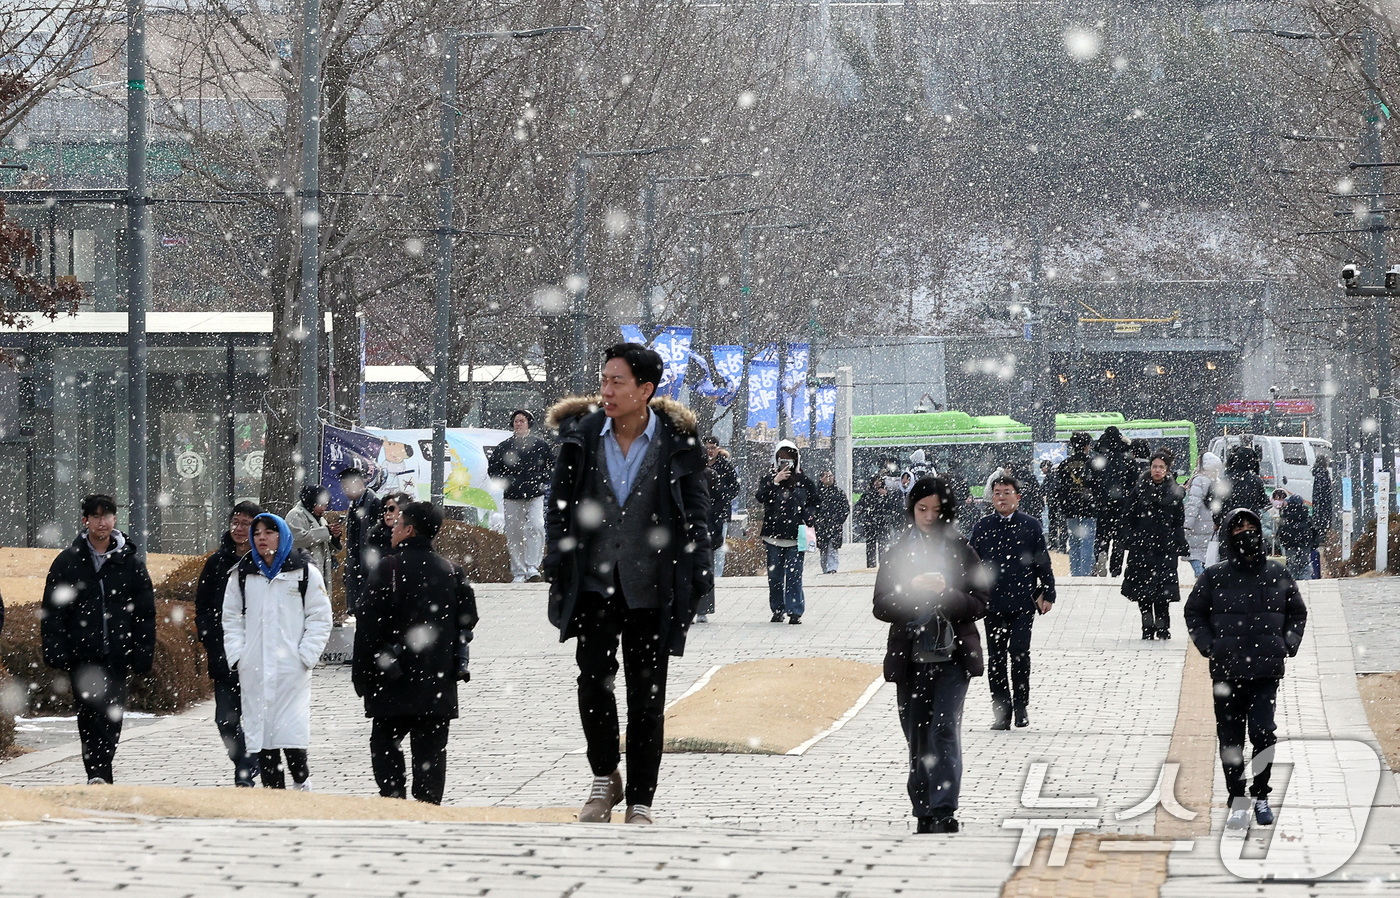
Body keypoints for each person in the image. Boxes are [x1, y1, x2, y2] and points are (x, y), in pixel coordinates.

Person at [543, 342, 712, 826]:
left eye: (618, 382)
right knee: (593, 681)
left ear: (646, 390)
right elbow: (560, 506)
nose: (607, 390)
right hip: (594, 582)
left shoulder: (677, 443)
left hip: (653, 586)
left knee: (647, 693)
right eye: (604, 380)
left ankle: (641, 798)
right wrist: (557, 557)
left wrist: (698, 571)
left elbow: (697, 516)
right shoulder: (583, 435)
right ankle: (604, 777)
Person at [873, 476, 989, 834]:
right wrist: (911, 590)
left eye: (936, 510)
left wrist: (947, 594)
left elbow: (982, 601)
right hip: (910, 658)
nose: (928, 516)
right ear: (912, 509)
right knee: (916, 733)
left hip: (953, 656)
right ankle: (923, 808)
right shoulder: (897, 552)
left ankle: (944, 807)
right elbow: (881, 606)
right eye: (922, 509)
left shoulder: (960, 550)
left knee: (943, 729)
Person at [1185, 508, 1307, 830]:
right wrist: (1210, 646)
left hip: (1266, 671)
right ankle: (1237, 799)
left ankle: (1261, 793)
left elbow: (1297, 611)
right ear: (1229, 535)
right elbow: (1193, 613)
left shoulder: (1276, 573)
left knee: (1264, 733)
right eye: (1239, 528)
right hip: (1226, 672)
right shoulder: (1214, 576)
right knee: (1231, 740)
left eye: (1252, 526)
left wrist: (1287, 643)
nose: (1247, 532)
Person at [354, 501, 478, 804]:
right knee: (431, 757)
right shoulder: (451, 570)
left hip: (393, 683)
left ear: (409, 530)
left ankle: (395, 806)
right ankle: (429, 812)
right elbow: (469, 618)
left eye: (398, 524)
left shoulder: (388, 567)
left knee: (386, 747)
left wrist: (362, 676)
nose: (393, 529)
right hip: (436, 686)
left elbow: (368, 626)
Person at [41, 494, 156, 785]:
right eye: (95, 516)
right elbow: (54, 610)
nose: (101, 522)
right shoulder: (68, 561)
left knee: (111, 716)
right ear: (85, 521)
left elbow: (144, 612)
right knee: (89, 716)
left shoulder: (129, 562)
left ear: (115, 520)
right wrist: (55, 647)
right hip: (82, 654)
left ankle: (101, 768)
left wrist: (143, 650)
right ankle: (97, 773)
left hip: (118, 652)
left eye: (106, 516)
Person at [223, 513, 334, 790]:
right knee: (263, 739)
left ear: (282, 535)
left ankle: (301, 784)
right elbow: (231, 617)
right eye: (257, 532)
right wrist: (239, 656)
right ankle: (273, 796)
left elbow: (320, 617)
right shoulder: (242, 574)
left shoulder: (305, 573)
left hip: (291, 670)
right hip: (255, 668)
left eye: (269, 532)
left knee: (291, 736)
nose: (261, 537)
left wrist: (305, 656)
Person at [969, 474, 1055, 730]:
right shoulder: (983, 527)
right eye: (997, 493)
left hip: (1022, 604)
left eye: (1007, 492)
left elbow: (1043, 562)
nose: (1001, 498)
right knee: (996, 659)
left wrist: (1048, 593)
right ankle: (1001, 710)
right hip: (992, 604)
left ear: (1017, 497)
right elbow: (970, 565)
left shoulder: (1030, 526)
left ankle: (1020, 705)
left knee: (1019, 653)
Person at [195, 500, 263, 787]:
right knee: (226, 720)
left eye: (246, 523)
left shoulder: (267, 561)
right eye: (236, 521)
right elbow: (203, 607)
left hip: (261, 653)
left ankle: (250, 769)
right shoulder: (217, 562)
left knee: (261, 719)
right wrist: (212, 641)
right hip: (225, 655)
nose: (239, 528)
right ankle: (245, 764)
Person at [1117, 452, 1189, 639]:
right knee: (1144, 592)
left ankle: (1163, 627)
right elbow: (1128, 516)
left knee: (1163, 592)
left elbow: (1178, 521)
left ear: (1167, 470)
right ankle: (1147, 627)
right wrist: (1132, 538)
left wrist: (1178, 542)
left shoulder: (1174, 492)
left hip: (1165, 547)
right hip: (1142, 547)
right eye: (1154, 466)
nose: (1157, 470)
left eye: (1161, 467)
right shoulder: (1139, 490)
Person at [755, 440, 821, 624]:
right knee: (775, 576)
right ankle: (777, 609)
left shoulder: (804, 481)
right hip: (773, 535)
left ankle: (794, 611)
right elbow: (760, 497)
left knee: (794, 574)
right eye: (781, 459)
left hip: (796, 534)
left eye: (789, 460)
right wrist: (775, 482)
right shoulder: (769, 479)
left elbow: (815, 502)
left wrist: (809, 514)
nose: (785, 464)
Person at [488, 410, 555, 583]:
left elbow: (551, 466)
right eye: (516, 421)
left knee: (537, 525)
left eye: (522, 421)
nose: (518, 424)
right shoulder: (504, 447)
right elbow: (493, 469)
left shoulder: (541, 445)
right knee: (514, 533)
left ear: (529, 424)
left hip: (535, 495)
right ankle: (519, 571)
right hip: (512, 496)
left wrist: (541, 480)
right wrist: (505, 482)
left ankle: (532, 566)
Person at [698, 436, 742, 622]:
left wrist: (724, 496)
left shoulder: (724, 466)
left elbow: (735, 486)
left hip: (718, 512)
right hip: (700, 513)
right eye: (707, 448)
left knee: (718, 546)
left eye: (713, 448)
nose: (710, 451)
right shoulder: (697, 465)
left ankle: (718, 574)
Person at [1092, 427, 1137, 576]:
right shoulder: (1128, 461)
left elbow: (1090, 482)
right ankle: (1115, 569)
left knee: (1101, 534)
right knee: (1119, 538)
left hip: (1102, 504)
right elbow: (1134, 484)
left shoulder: (1096, 461)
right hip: (1122, 505)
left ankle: (1101, 552)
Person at [338, 467, 381, 615]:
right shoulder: (354, 505)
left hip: (368, 569)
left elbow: (377, 543)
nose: (345, 491)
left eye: (347, 487)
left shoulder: (374, 504)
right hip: (357, 567)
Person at [1055, 432, 1099, 576]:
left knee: (1074, 543)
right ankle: (1085, 574)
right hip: (1089, 508)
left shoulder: (1063, 465)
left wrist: (1064, 506)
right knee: (1087, 542)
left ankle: (1075, 573)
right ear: (1087, 446)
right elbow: (1098, 487)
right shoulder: (1093, 463)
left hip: (1071, 509)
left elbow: (1059, 489)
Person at [286, 485, 341, 589]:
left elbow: (327, 548)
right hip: (303, 571)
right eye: (320, 505)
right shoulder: (295, 515)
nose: (323, 509)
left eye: (326, 505)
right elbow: (297, 540)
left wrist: (335, 538)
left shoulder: (322, 520)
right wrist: (326, 531)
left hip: (321, 572)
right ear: (310, 502)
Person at [1183, 452, 1224, 578]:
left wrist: (1186, 526)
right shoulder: (1217, 481)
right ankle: (1206, 577)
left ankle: (1200, 575)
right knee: (1208, 556)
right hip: (1212, 525)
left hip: (1197, 526)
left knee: (1192, 554)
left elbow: (1193, 504)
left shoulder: (1198, 479)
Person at [854, 475, 901, 568]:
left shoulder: (887, 494)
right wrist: (860, 511)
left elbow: (892, 506)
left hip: (883, 522)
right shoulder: (867, 494)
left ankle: (883, 563)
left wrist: (886, 496)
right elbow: (860, 505)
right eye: (875, 481)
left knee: (883, 544)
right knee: (870, 544)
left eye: (879, 481)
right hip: (870, 522)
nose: (877, 483)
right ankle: (871, 564)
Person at [814, 470, 851, 575]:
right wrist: (816, 520)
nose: (829, 478)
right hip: (821, 525)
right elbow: (811, 508)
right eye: (826, 476)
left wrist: (839, 520)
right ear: (821, 478)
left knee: (833, 547)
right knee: (823, 548)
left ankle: (832, 567)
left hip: (834, 525)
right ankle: (825, 567)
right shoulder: (817, 493)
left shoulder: (838, 492)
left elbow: (845, 508)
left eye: (830, 476)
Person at [1278, 494, 1316, 581]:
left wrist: (1285, 544)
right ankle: (1306, 581)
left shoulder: (1286, 516)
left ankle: (1292, 583)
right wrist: (1312, 544)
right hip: (1304, 545)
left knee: (1292, 565)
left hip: (1290, 546)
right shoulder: (1306, 516)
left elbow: (1281, 532)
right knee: (1305, 565)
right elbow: (1314, 531)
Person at [1041, 460, 1065, 552]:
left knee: (1053, 523)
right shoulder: (1062, 475)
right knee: (1062, 525)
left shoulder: (1050, 476)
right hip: (1062, 502)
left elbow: (1043, 489)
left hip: (1053, 503)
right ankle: (1062, 546)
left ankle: (1053, 543)